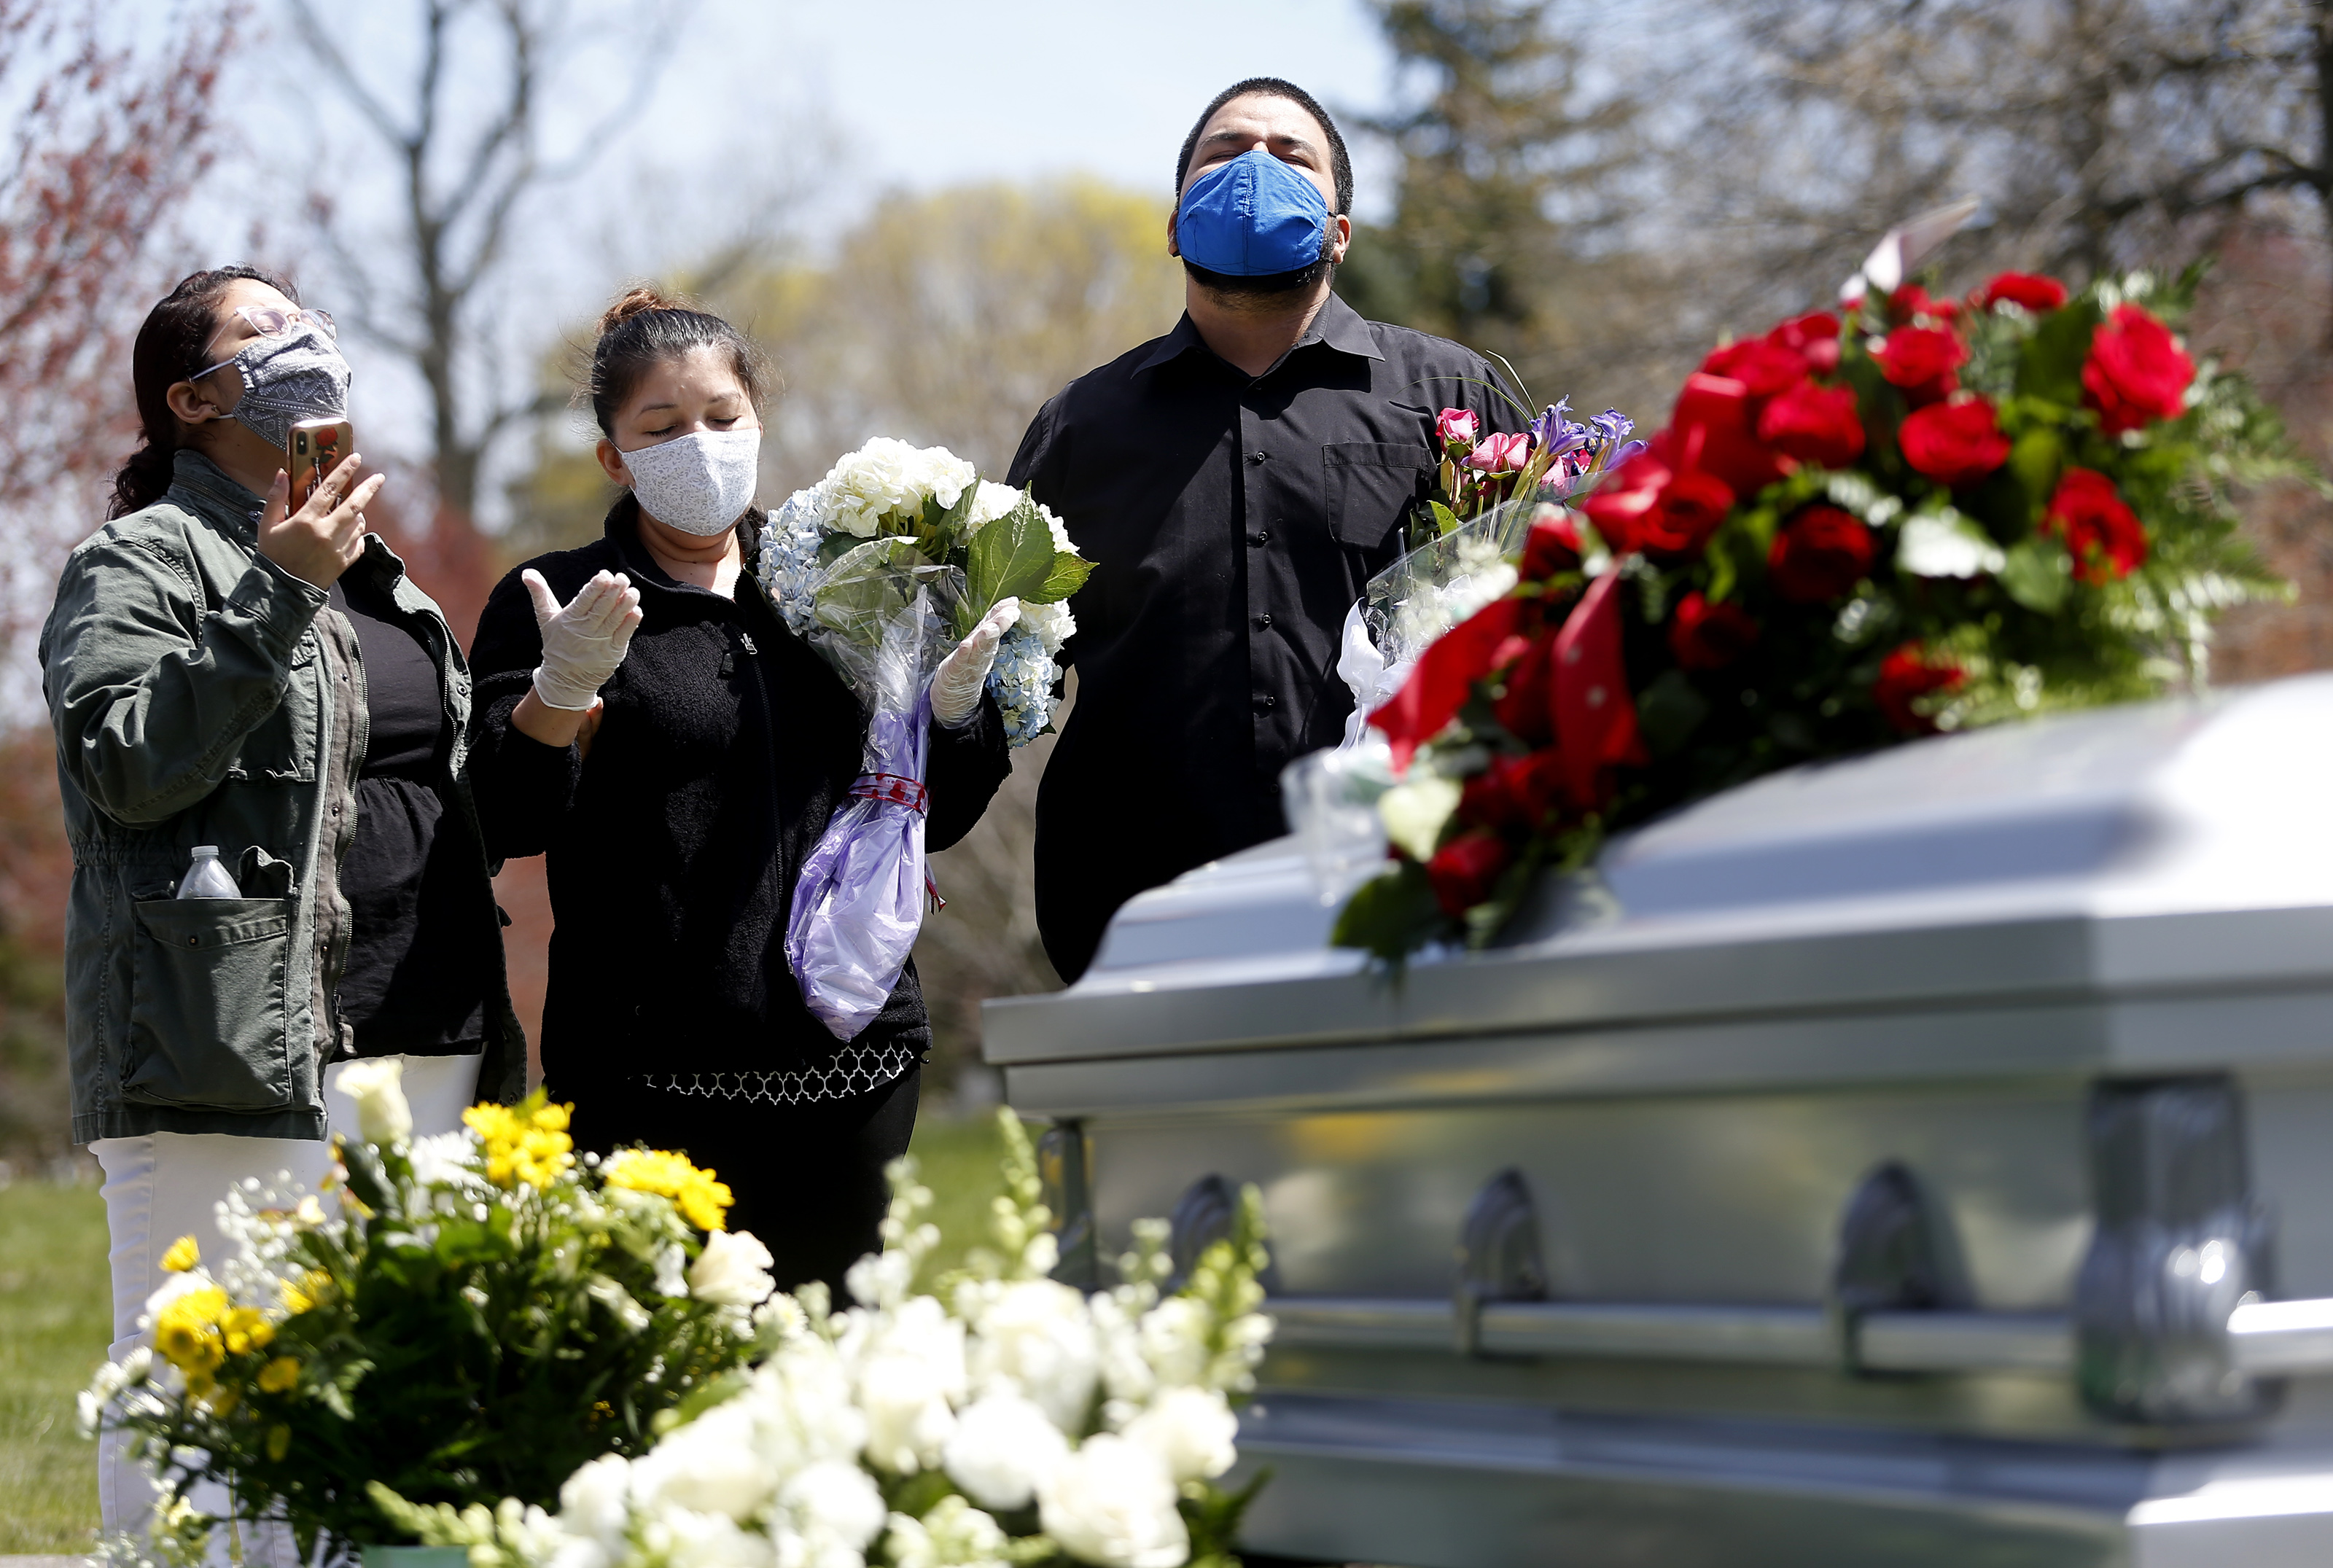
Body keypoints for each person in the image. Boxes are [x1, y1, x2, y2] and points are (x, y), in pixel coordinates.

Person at [40, 265, 526, 1556]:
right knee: (202, 1405)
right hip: (232, 1052)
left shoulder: (380, 567)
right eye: (266, 331)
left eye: (312, 322)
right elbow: (123, 766)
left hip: (426, 1035)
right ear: (192, 398)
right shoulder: (137, 560)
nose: (308, 342)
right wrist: (275, 593)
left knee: (400, 1411)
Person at [466, 287, 1012, 1290]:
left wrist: (957, 709)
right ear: (613, 455)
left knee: (837, 1376)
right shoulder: (562, 601)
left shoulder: (841, 588)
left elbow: (936, 818)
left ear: (760, 424)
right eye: (662, 426)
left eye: (723, 418)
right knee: (672, 1386)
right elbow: (504, 816)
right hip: (646, 1078)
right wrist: (558, 691)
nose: (701, 444)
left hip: (853, 1062)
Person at [1008, 77, 1521, 982]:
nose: (1254, 166)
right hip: (1137, 922)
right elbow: (1003, 682)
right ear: (1173, 224)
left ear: (1339, 230)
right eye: (1223, 152)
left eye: (1291, 156)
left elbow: (1554, 633)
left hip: (1409, 909)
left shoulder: (1454, 400)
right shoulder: (1080, 429)